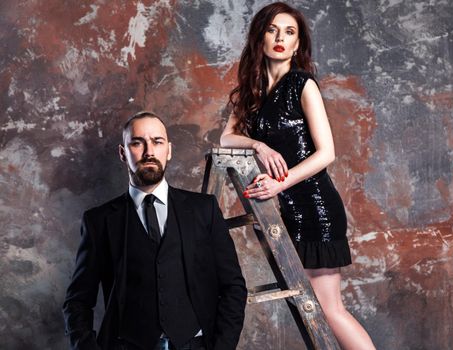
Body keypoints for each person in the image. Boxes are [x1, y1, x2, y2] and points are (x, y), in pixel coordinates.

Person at [220, 3, 375, 350]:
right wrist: (258, 146)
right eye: (273, 29)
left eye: (289, 32)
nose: (280, 38)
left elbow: (327, 153)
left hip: (318, 207)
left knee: (328, 309)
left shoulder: (302, 84)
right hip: (289, 210)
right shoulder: (252, 91)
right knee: (310, 309)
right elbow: (226, 137)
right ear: (260, 36)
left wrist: (281, 181)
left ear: (297, 44)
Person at [63, 111, 247, 350]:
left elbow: (233, 286)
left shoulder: (204, 209)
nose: (149, 151)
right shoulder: (99, 221)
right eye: (138, 142)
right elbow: (77, 302)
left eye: (157, 142)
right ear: (123, 153)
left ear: (168, 150)